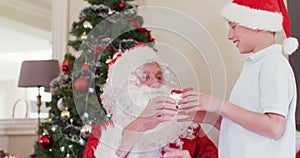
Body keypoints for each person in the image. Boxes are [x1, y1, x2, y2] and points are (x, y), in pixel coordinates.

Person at [178, 0, 298, 158]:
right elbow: (245, 127)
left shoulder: (273, 64)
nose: (229, 35)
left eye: (233, 26)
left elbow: (274, 127)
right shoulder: (256, 65)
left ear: (257, 24)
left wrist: (219, 105)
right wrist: (207, 116)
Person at [83, 45, 218, 158]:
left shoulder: (188, 130)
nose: (155, 83)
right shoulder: (102, 134)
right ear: (125, 87)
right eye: (145, 76)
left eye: (159, 77)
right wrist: (140, 125)